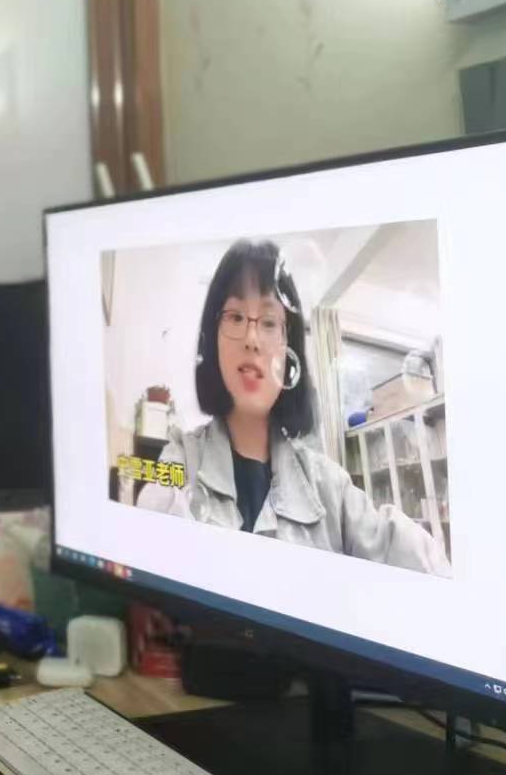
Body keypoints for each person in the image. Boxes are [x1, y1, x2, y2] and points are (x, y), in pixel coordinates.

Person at [136, 239, 450, 577]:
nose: (251, 339)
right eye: (236, 316)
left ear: (290, 351)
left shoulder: (331, 488)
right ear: (213, 339)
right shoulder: (180, 456)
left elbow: (410, 557)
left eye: (270, 322)